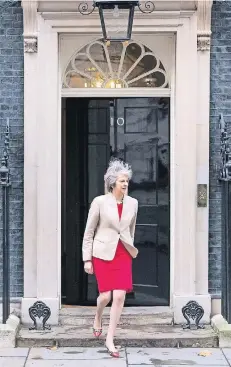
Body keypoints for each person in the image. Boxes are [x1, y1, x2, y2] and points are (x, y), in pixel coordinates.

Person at [82, 158, 138, 358]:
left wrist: (130, 247)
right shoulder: (99, 202)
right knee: (105, 296)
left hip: (123, 253)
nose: (125, 184)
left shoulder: (133, 203)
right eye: (122, 181)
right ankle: (98, 316)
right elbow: (89, 232)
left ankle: (110, 339)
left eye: (127, 181)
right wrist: (86, 259)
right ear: (112, 182)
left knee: (120, 296)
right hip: (102, 253)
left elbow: (130, 231)